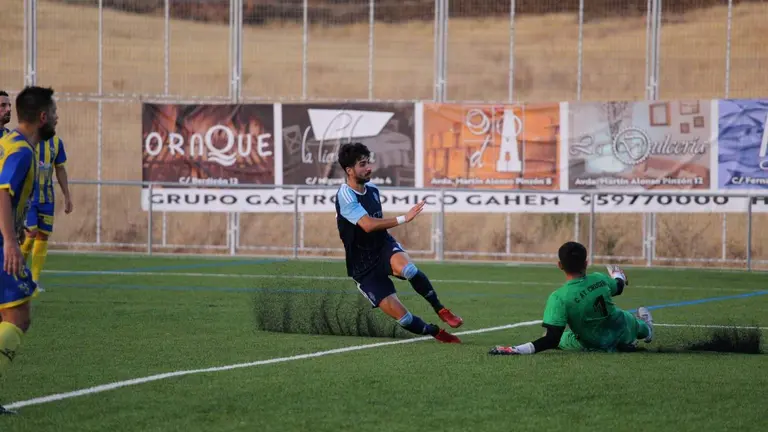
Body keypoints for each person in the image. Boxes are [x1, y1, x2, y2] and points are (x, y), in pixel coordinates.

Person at [335, 142, 462, 343]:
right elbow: (367, 225)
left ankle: (441, 309)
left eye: (368, 162)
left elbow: (374, 228)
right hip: (362, 266)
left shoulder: (373, 189)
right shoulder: (345, 195)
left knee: (409, 269)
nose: (368, 167)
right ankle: (434, 331)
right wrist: (404, 218)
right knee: (404, 319)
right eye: (362, 164)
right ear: (349, 170)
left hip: (382, 246)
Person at [489, 241, 654, 355]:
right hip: (622, 328)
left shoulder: (559, 297)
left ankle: (630, 337)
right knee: (629, 319)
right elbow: (618, 287)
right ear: (586, 263)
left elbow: (551, 340)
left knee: (561, 337)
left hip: (595, 343)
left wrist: (516, 349)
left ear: (560, 265)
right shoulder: (599, 278)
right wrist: (618, 276)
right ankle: (646, 330)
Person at [0, 86, 57, 415]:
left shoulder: (8, 143)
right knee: (18, 318)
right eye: (55, 111)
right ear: (43, 117)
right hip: (1, 243)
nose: (58, 117)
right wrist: (10, 240)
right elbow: (3, 192)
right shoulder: (21, 151)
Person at [20, 134, 73, 287]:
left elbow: (60, 169)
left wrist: (67, 196)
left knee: (42, 236)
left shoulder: (57, 142)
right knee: (30, 233)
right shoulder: (27, 139)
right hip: (28, 197)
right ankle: (17, 274)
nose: (54, 117)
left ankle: (35, 280)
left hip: (47, 198)